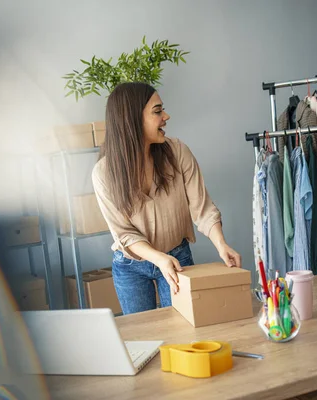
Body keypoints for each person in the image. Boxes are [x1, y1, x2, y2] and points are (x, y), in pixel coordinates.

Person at [92, 82, 241, 315]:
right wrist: (158, 258)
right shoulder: (104, 173)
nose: (166, 116)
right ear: (132, 119)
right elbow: (124, 233)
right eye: (157, 111)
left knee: (183, 333)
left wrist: (221, 244)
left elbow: (202, 209)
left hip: (177, 259)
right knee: (143, 339)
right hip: (131, 267)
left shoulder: (178, 152)